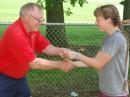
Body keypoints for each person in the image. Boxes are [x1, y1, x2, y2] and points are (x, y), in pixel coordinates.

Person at [0, 2, 75, 97]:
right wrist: (60, 65)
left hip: (19, 77)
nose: (41, 22)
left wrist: (60, 50)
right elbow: (34, 63)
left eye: (42, 19)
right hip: (3, 78)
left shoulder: (32, 31)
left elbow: (46, 47)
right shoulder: (16, 34)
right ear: (27, 17)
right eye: (39, 19)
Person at [68, 4, 129, 97]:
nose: (95, 23)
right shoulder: (109, 37)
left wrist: (77, 55)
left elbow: (97, 64)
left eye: (98, 20)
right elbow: (96, 60)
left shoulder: (116, 38)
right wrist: (73, 63)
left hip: (115, 93)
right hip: (106, 91)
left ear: (108, 21)